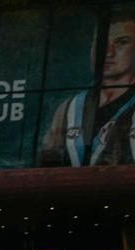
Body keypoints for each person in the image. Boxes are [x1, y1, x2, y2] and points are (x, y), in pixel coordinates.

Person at [39, 12, 135, 166]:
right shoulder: (69, 108)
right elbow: (47, 163)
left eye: (121, 42)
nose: (108, 52)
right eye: (101, 42)